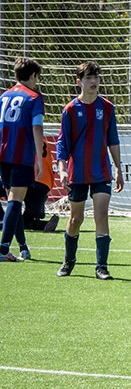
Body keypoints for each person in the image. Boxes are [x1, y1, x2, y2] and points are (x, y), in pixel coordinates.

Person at [55, 61, 123, 280]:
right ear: (79, 82)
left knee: (101, 214)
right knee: (76, 219)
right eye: (88, 78)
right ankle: (68, 261)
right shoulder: (70, 110)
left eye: (96, 78)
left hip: (101, 171)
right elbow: (62, 143)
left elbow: (113, 140)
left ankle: (101, 267)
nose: (93, 82)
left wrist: (119, 168)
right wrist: (63, 170)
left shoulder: (108, 108)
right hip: (78, 173)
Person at [0, 58, 45, 262]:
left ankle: (22, 246)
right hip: (21, 155)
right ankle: (2, 250)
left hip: (3, 154)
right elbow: (37, 127)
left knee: (13, 199)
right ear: (33, 75)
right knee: (16, 199)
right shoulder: (34, 97)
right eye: (38, 77)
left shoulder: (4, 96)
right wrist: (38, 158)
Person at [22, 142, 59, 232]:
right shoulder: (44, 143)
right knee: (31, 215)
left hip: (29, 182)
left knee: (24, 221)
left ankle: (43, 223)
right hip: (45, 184)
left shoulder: (22, 139)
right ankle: (39, 214)